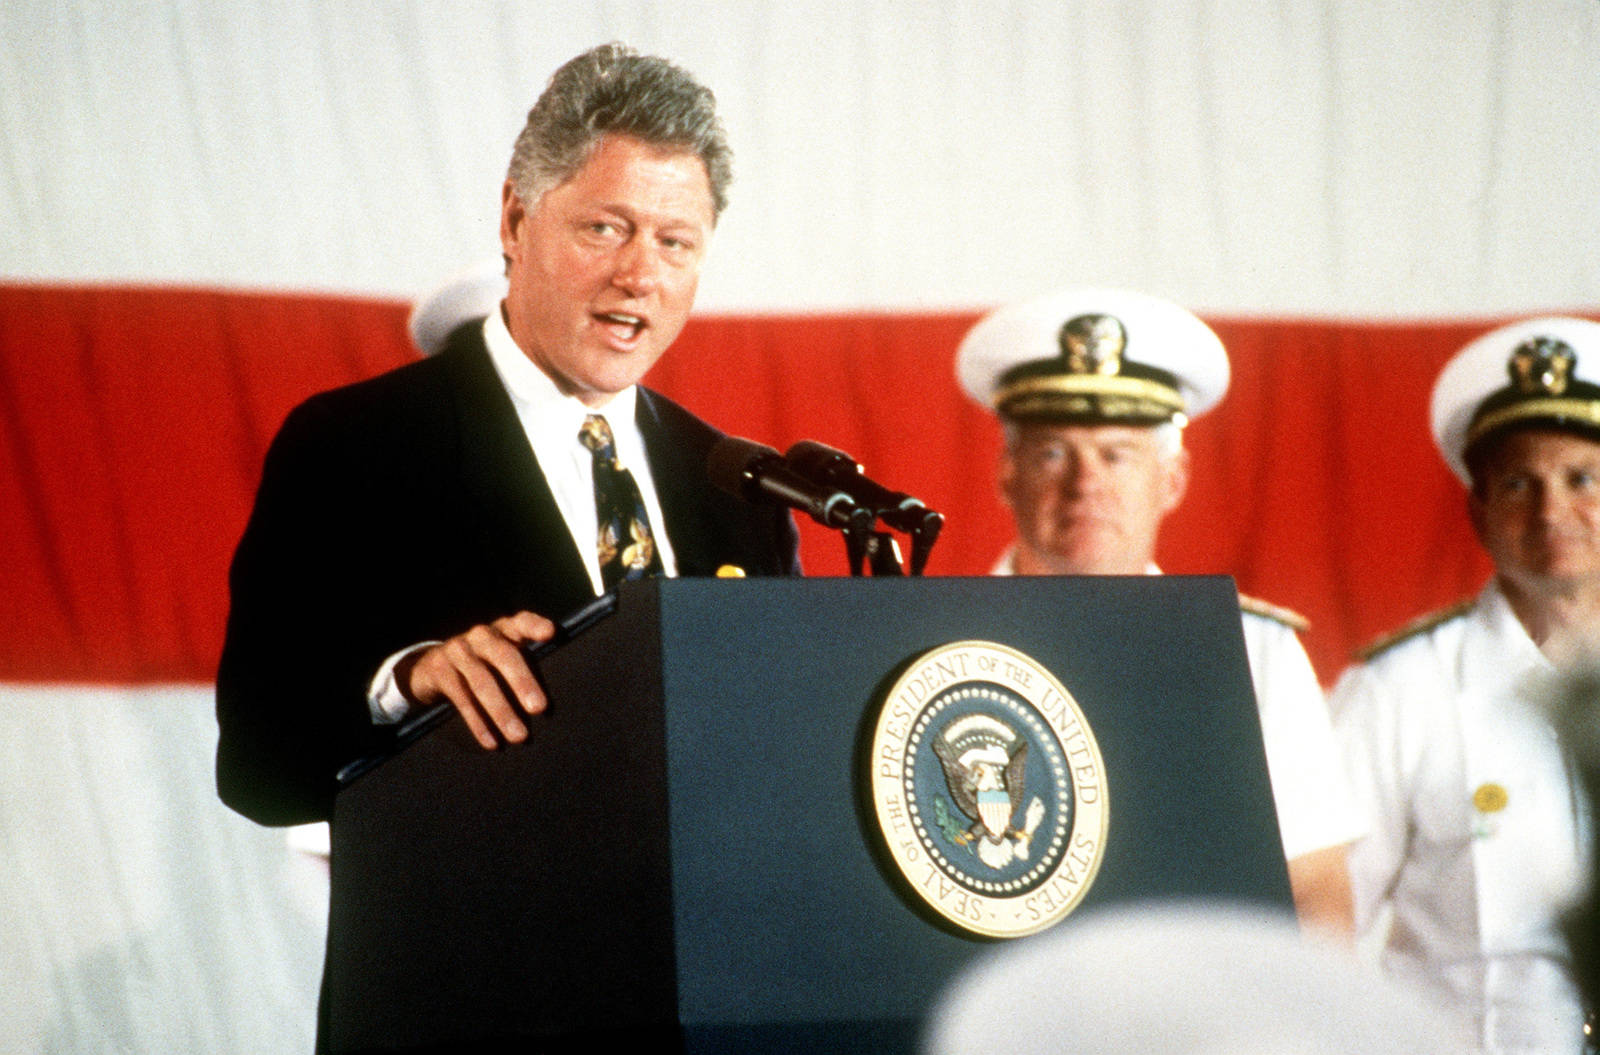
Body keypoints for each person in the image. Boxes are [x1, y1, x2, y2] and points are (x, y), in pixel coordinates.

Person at [216, 43, 800, 827]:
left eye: (675, 242)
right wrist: (408, 683)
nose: (640, 275)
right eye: (605, 227)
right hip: (476, 946)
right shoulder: (355, 447)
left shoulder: (736, 487)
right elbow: (257, 769)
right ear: (516, 219)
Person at [955, 287, 1363, 936]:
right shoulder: (934, 637)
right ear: (1007, 472)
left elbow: (1314, 894)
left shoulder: (1251, 651)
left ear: (1172, 481)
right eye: (1054, 452)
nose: (1085, 482)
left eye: (1117, 454)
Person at [1331, 316, 1600, 1053]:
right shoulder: (1396, 689)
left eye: (1582, 478)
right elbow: (1321, 917)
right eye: (1519, 482)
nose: (1552, 512)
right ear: (1477, 510)